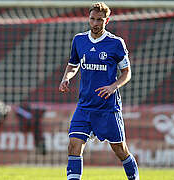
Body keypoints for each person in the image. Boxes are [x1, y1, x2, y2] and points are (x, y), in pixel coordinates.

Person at [59, 2, 139, 180]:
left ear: (107, 21)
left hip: (107, 108)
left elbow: (127, 73)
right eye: (92, 19)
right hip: (85, 106)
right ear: (88, 19)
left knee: (120, 149)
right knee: (74, 145)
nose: (95, 23)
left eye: (99, 20)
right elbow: (73, 65)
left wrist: (113, 87)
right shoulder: (79, 40)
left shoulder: (116, 43)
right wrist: (67, 77)